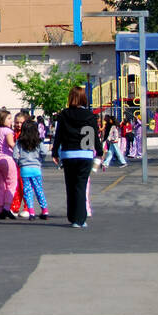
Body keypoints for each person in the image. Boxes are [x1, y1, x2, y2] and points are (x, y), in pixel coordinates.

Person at [50, 87, 102, 228]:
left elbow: (59, 134)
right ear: (84, 98)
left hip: (68, 153)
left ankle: (72, 216)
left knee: (70, 186)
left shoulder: (64, 115)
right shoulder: (90, 116)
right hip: (85, 153)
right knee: (81, 186)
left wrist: (55, 152)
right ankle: (80, 219)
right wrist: (99, 151)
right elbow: (94, 135)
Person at [15, 120, 49, 219]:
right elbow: (44, 152)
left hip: (24, 169)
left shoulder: (19, 142)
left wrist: (19, 162)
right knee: (39, 190)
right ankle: (44, 210)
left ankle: (31, 212)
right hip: (36, 168)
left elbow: (15, 155)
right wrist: (40, 160)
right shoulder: (38, 141)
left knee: (27, 191)